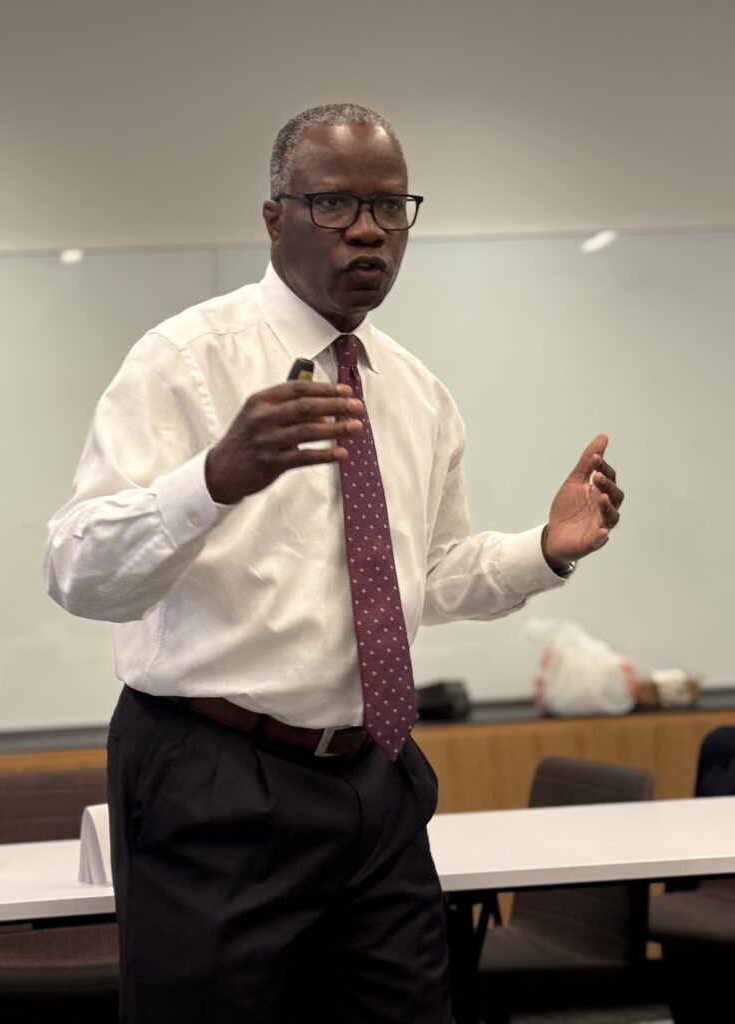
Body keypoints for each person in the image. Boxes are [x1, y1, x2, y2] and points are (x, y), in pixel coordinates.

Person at [45, 102, 624, 1024]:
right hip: (216, 776)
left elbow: (423, 579)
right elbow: (77, 571)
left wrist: (544, 550)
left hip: (373, 778)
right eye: (333, 203)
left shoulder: (417, 393)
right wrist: (213, 480)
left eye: (390, 207)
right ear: (274, 217)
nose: (367, 229)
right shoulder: (186, 361)